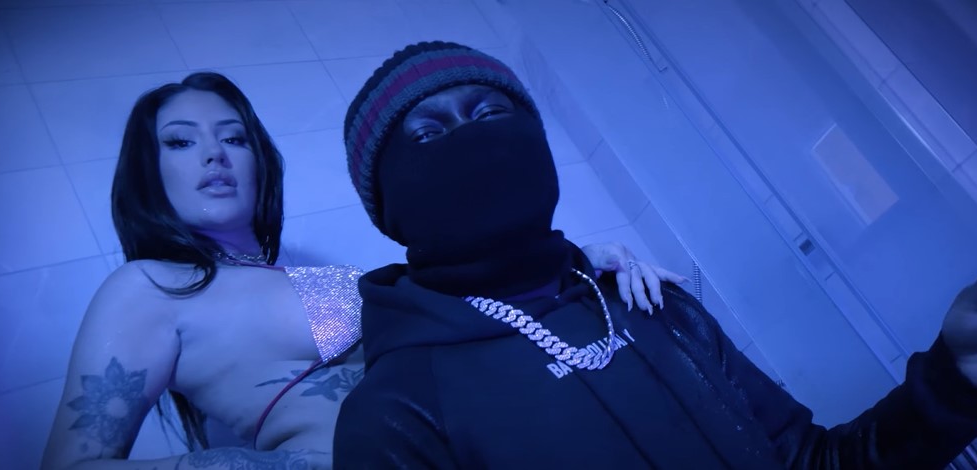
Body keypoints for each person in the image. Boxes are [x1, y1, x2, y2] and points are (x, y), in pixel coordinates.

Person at [332, 40, 977, 469]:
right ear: (390, 206)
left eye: (491, 114)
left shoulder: (655, 304)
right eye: (426, 135)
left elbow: (814, 464)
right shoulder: (395, 412)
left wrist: (955, 383)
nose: (470, 138)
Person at [41, 72, 680, 470]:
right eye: (181, 141)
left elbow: (474, 313)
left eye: (234, 138)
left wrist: (583, 266)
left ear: (260, 160)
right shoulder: (153, 287)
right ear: (149, 170)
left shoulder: (332, 280)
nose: (214, 155)